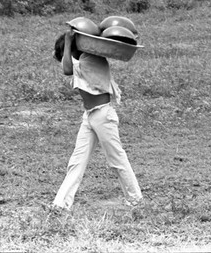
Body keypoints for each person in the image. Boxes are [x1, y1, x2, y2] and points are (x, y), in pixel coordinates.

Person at [51, 17, 143, 212]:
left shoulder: (92, 59)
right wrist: (68, 44)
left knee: (117, 159)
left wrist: (67, 42)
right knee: (76, 162)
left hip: (103, 116)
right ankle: (61, 204)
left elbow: (67, 68)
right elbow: (69, 65)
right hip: (90, 117)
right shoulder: (84, 59)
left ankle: (136, 200)